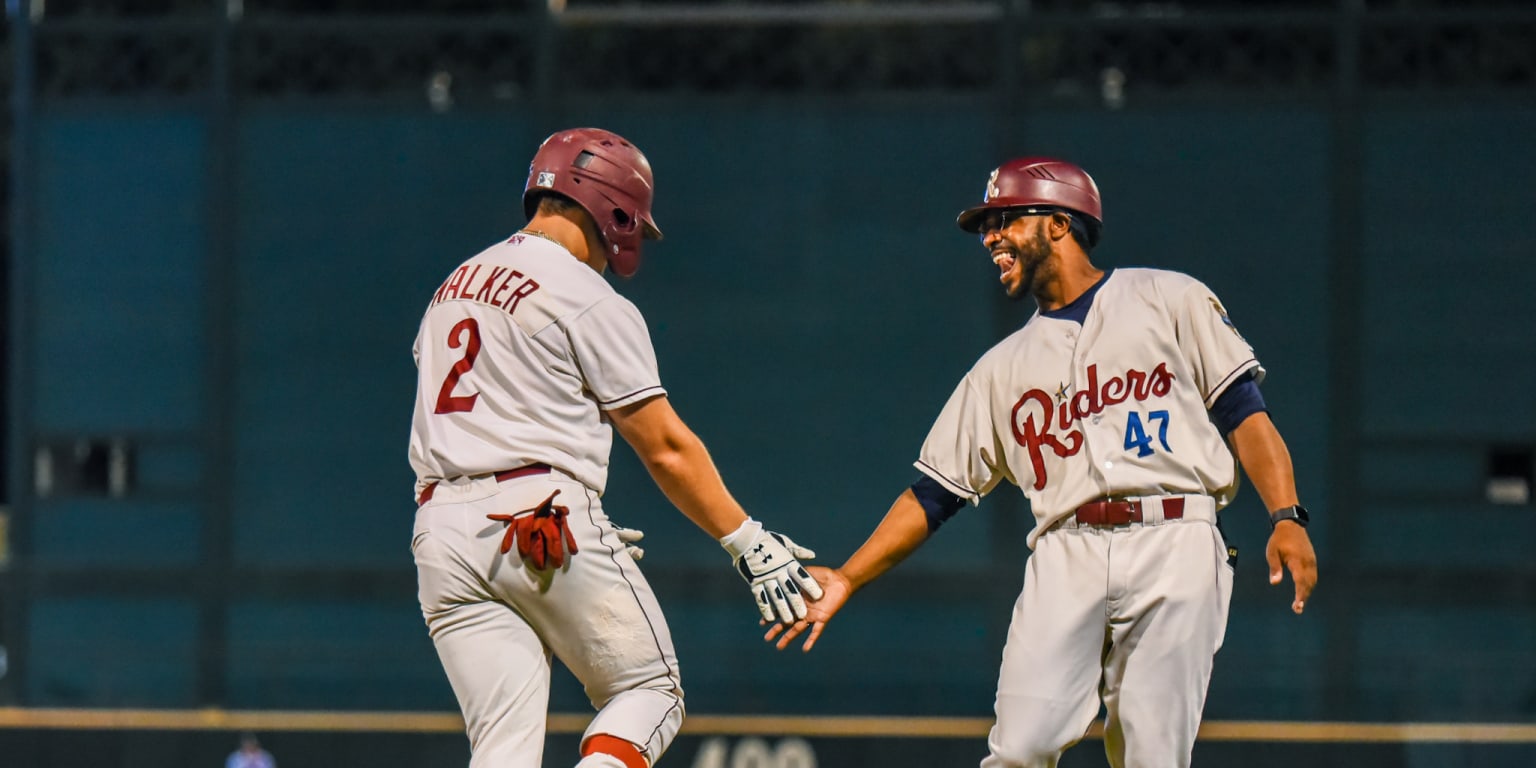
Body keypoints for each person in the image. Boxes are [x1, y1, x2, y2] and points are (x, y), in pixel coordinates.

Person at [770, 157, 1318, 767]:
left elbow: (1246, 414)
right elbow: (931, 496)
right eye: (988, 226)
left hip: (1177, 536)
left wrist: (1286, 515)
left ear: (1059, 222)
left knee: (1151, 754)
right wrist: (847, 576)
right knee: (1019, 749)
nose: (990, 238)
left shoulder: (1169, 297)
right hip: (1067, 551)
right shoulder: (1000, 369)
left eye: (1004, 219)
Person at [408, 127, 822, 768]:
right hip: (538, 520)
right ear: (615, 209)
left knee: (502, 747)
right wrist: (748, 542)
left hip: (439, 533)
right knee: (649, 690)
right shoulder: (583, 294)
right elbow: (665, 448)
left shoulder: (451, 287)